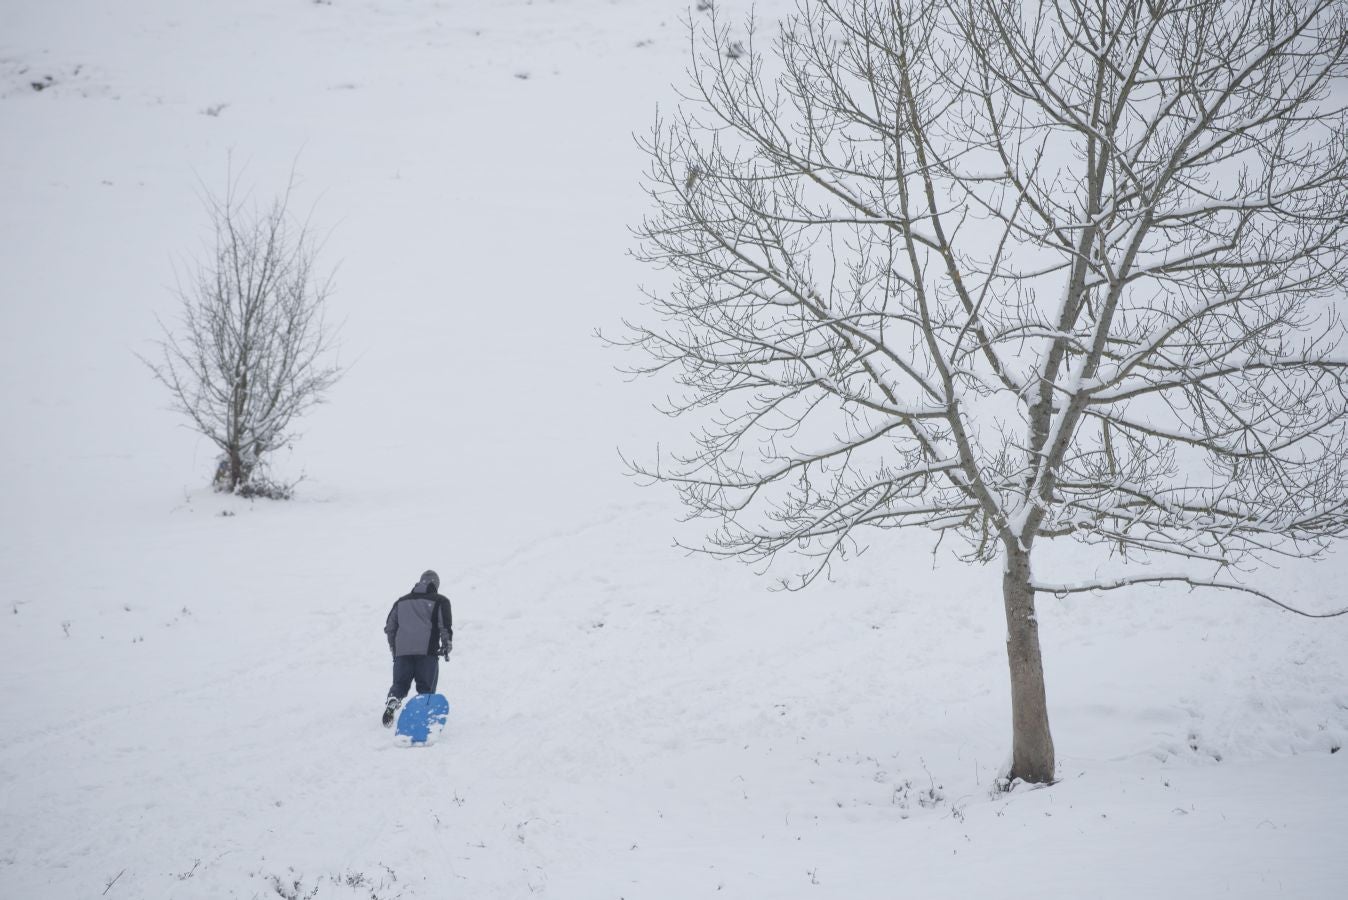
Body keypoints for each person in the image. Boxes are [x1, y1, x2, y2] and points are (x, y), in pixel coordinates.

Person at [382, 569, 453, 727]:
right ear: (436, 584)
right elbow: (444, 626)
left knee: (400, 684)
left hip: (402, 653)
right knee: (426, 688)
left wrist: (396, 649)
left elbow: (390, 628)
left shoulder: (401, 602)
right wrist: (446, 645)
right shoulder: (441, 601)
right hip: (427, 652)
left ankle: (393, 699)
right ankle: (422, 716)